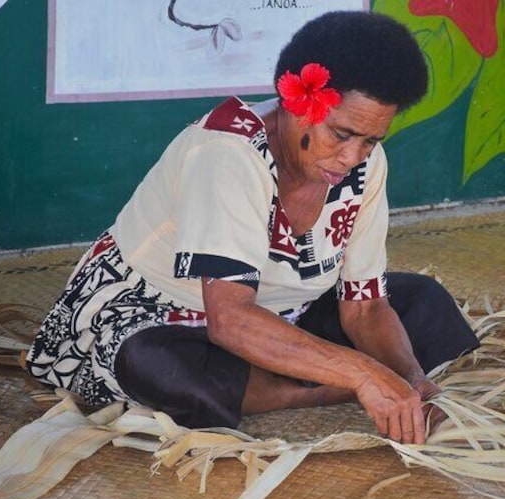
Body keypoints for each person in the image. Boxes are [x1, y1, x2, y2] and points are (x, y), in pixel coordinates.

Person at [25, 11, 480, 445]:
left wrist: (415, 384)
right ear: (296, 104)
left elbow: (363, 308)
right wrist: (364, 373)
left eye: (371, 140)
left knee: (426, 304)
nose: (353, 157)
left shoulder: (365, 167)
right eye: (341, 135)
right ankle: (330, 385)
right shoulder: (228, 151)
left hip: (284, 317)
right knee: (163, 370)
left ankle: (298, 381)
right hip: (161, 317)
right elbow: (230, 320)